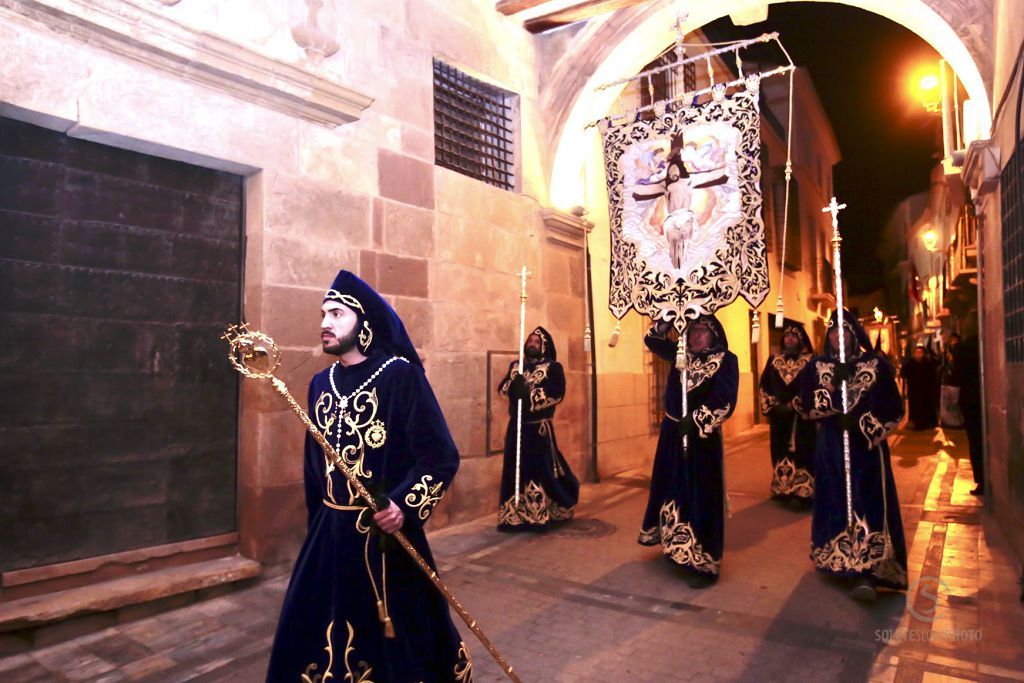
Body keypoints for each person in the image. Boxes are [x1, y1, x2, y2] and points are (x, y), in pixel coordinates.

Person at [265, 270, 473, 682]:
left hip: (384, 538)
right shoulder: (319, 384)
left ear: (363, 324)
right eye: (324, 314)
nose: (325, 322)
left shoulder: (399, 376)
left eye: (337, 314)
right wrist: (316, 528)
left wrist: (404, 506)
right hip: (328, 539)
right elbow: (313, 469)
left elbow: (440, 457)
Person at [796, 309, 907, 602]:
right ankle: (840, 563)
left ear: (855, 333)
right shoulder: (816, 366)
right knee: (835, 502)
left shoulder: (876, 365)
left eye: (844, 329)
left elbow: (894, 409)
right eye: (833, 330)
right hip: (831, 447)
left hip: (866, 449)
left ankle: (867, 570)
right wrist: (834, 393)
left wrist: (862, 423)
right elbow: (806, 405)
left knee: (867, 502)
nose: (838, 335)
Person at [639, 314, 738, 583]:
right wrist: (667, 320)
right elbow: (652, 339)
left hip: (701, 441)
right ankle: (675, 547)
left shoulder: (727, 361)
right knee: (673, 489)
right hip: (672, 435)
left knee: (700, 495)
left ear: (714, 334)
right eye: (692, 330)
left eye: (702, 331)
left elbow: (726, 399)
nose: (695, 336)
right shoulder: (680, 353)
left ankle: (703, 563)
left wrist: (694, 420)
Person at [497, 326, 580, 530]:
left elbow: (557, 393)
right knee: (514, 470)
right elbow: (502, 389)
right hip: (516, 427)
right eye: (530, 340)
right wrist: (512, 386)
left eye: (536, 341)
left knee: (538, 470)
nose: (532, 343)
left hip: (538, 429)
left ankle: (538, 514)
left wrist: (529, 394)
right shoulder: (517, 365)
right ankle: (513, 515)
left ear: (544, 346)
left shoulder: (553, 367)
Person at [758, 321, 816, 507]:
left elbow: (813, 387)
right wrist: (774, 406)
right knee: (780, 450)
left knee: (804, 451)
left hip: (801, 419)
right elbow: (764, 386)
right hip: (779, 417)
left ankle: (802, 491)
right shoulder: (773, 360)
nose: (790, 338)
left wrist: (795, 404)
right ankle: (782, 489)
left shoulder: (810, 361)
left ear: (801, 340)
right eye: (787, 335)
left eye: (794, 335)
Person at [955, 330, 984, 495]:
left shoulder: (963, 349)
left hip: (970, 401)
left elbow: (958, 375)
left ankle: (981, 479)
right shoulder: (983, 342)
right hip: (980, 398)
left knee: (975, 440)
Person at [900, 343, 939, 430]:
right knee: (916, 407)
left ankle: (927, 423)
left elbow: (933, 377)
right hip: (914, 389)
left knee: (926, 406)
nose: (918, 354)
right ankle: (917, 423)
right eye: (916, 352)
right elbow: (903, 373)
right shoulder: (910, 363)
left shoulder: (928, 363)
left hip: (926, 390)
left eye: (920, 352)